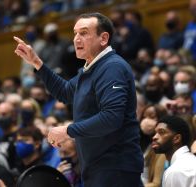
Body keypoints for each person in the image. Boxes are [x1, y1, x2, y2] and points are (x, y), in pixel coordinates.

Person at [14, 12, 143, 187]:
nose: (76, 39)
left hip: (115, 167)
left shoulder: (112, 67)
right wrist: (36, 62)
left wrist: (67, 131)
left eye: (83, 33)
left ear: (103, 38)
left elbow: (112, 117)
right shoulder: (90, 69)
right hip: (96, 167)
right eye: (75, 33)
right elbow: (64, 91)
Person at [152, 115, 196, 187]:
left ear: (177, 138)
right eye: (155, 133)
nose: (154, 137)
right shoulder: (189, 160)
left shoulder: (176, 171)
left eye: (161, 132)